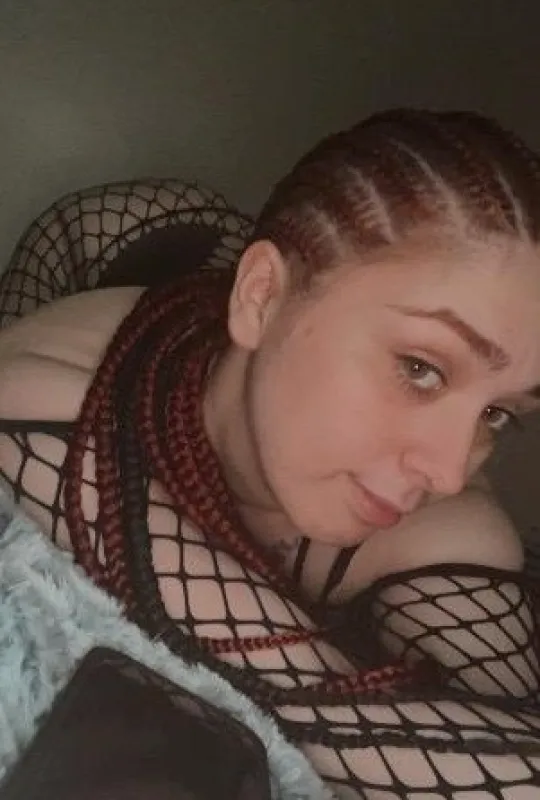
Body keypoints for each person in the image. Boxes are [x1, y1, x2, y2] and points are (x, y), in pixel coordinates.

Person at [0, 108, 539, 798]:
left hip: (250, 329)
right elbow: (309, 700)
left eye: (497, 413)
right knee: (127, 215)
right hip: (159, 312)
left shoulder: (456, 536)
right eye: (420, 368)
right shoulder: (42, 399)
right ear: (262, 297)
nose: (449, 469)